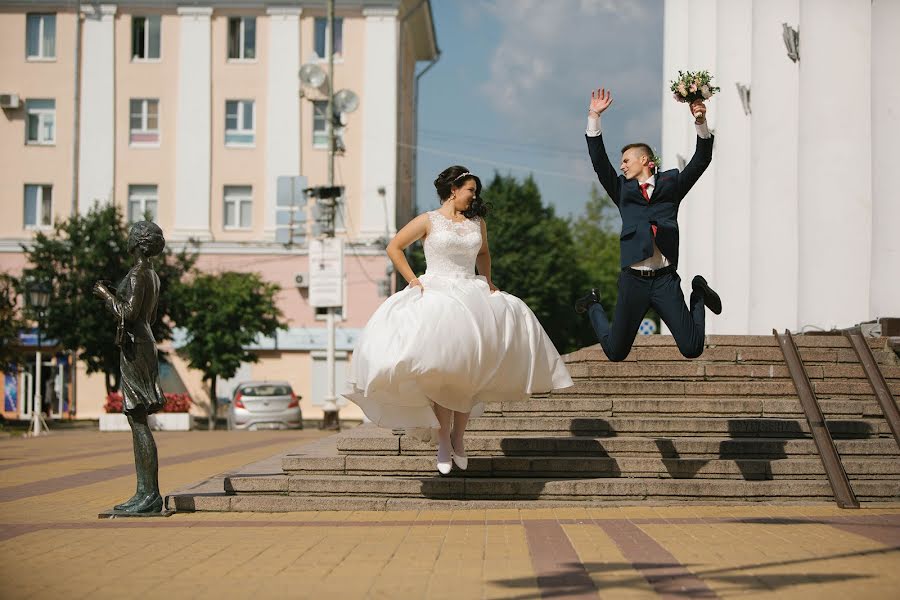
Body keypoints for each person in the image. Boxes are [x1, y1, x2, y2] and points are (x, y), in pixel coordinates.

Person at [345, 166, 573, 474]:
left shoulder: (477, 222)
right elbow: (394, 247)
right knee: (445, 369)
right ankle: (442, 438)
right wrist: (413, 280)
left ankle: (458, 437)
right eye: (470, 190)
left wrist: (488, 281)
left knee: (470, 370)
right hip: (437, 292)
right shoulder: (428, 220)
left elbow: (484, 254)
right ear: (454, 189)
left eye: (475, 192)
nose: (474, 196)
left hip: (471, 291)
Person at [575, 87, 722, 361]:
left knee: (692, 348)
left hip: (665, 280)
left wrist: (700, 121)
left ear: (645, 160)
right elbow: (599, 162)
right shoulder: (622, 190)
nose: (621, 166)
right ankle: (593, 303)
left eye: (626, 160)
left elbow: (702, 160)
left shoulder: (671, 184)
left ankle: (698, 294)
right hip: (634, 281)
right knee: (616, 352)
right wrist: (594, 116)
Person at [93, 221, 166, 513]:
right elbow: (150, 314)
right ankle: (144, 492)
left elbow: (129, 313)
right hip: (143, 343)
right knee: (137, 421)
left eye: (130, 234)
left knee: (137, 420)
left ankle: (148, 494)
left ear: (137, 242)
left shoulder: (137, 274)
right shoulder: (153, 275)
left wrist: (104, 294)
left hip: (136, 346)